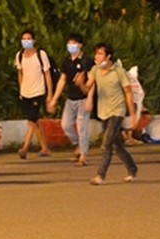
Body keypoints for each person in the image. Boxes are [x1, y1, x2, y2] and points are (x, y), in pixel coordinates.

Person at [86, 43, 138, 185]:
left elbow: (128, 92)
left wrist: (132, 114)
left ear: (108, 57)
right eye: (96, 53)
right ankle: (132, 168)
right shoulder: (95, 70)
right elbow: (87, 87)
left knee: (106, 144)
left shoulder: (118, 71)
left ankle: (100, 175)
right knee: (116, 145)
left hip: (117, 111)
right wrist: (80, 84)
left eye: (100, 54)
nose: (97, 57)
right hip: (103, 112)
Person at [49, 33, 94, 166]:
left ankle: (83, 155)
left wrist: (90, 99)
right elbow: (62, 80)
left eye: (73, 43)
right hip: (71, 99)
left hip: (83, 98)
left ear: (80, 45)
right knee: (66, 125)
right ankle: (78, 145)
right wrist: (54, 99)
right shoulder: (67, 61)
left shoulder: (87, 61)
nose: (71, 46)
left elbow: (93, 81)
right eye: (69, 43)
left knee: (82, 127)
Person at [14, 29, 53, 158]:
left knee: (31, 120)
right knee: (34, 121)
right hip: (25, 92)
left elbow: (47, 74)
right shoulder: (19, 55)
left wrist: (50, 94)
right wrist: (21, 89)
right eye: (23, 39)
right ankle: (45, 148)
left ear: (34, 40)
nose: (26, 41)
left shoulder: (41, 55)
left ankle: (25, 148)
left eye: (28, 39)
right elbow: (20, 73)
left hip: (38, 91)